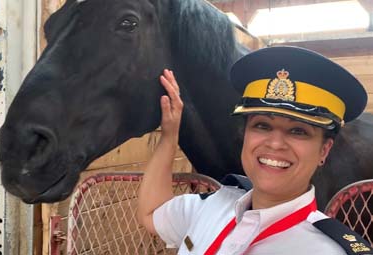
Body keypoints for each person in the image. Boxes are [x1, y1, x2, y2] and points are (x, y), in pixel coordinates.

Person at [137, 46, 372, 255]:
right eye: (262, 125)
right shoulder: (210, 206)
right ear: (245, 135)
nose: (275, 143)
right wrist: (169, 136)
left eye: (298, 131)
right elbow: (152, 213)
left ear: (324, 151)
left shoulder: (328, 249)